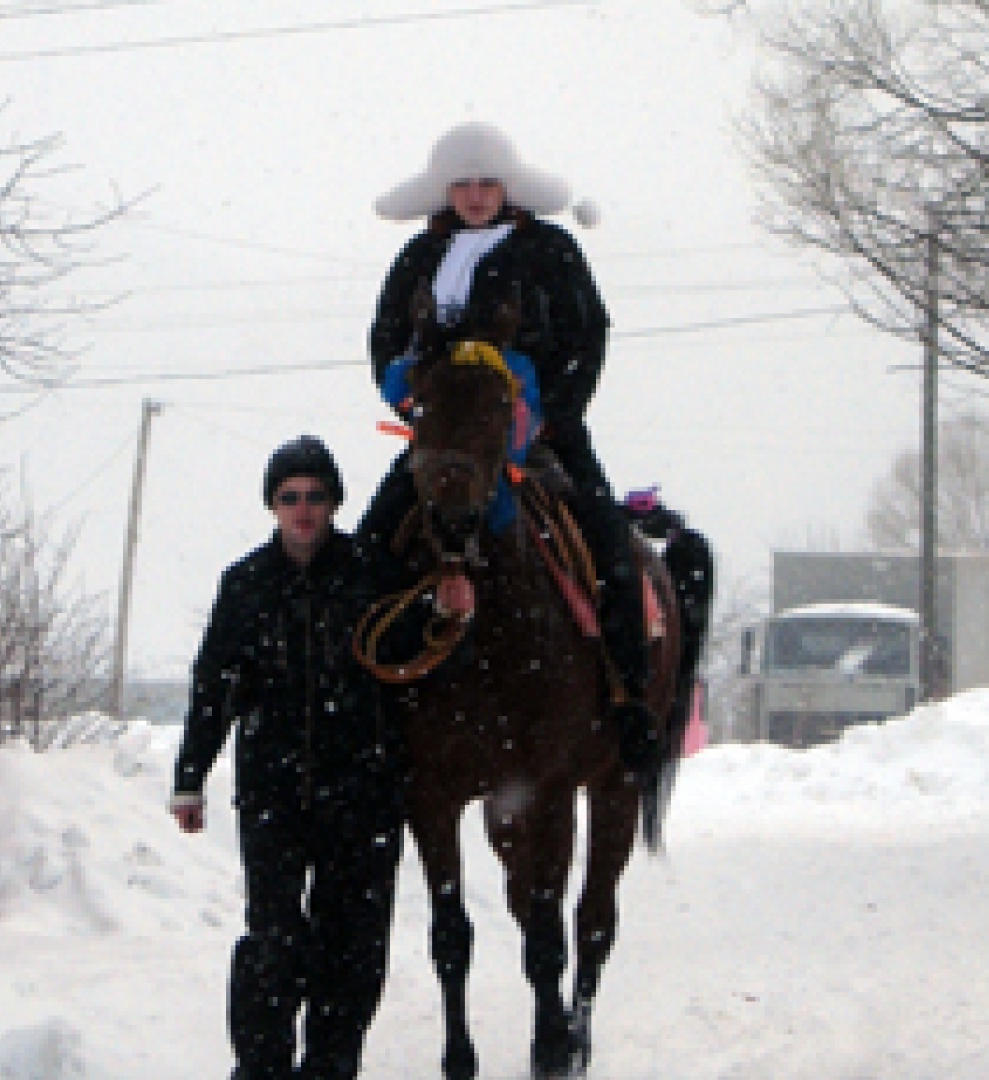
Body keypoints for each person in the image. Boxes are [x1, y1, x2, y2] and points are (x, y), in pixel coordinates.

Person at [359, 120, 660, 772]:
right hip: (443, 436)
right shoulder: (418, 257)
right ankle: (366, 696)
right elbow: (385, 336)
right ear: (446, 191)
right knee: (372, 544)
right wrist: (406, 396)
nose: (474, 195)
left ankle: (628, 697)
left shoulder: (550, 249)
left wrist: (551, 412)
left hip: (541, 429)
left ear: (507, 187)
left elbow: (588, 332)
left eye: (486, 182)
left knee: (605, 538)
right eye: (462, 184)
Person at [169, 435, 405, 1080]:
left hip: (361, 798)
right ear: (272, 504)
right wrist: (190, 776)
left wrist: (447, 608)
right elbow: (212, 686)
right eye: (289, 496)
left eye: (315, 495)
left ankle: (329, 1067)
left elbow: (416, 669)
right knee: (273, 942)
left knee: (350, 948)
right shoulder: (246, 583)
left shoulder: (371, 575)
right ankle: (261, 1066)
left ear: (333, 502)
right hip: (275, 793)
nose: (303, 507)